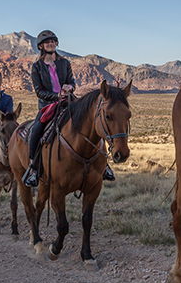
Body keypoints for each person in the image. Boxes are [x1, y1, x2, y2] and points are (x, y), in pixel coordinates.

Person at [22, 30, 115, 187]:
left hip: (69, 101)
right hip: (48, 105)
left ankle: (104, 164)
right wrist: (56, 96)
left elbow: (72, 81)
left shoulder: (64, 63)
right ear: (41, 46)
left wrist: (69, 87)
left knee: (93, 123)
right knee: (37, 129)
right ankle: (33, 168)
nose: (51, 44)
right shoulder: (37, 67)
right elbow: (39, 91)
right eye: (47, 42)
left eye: (53, 41)